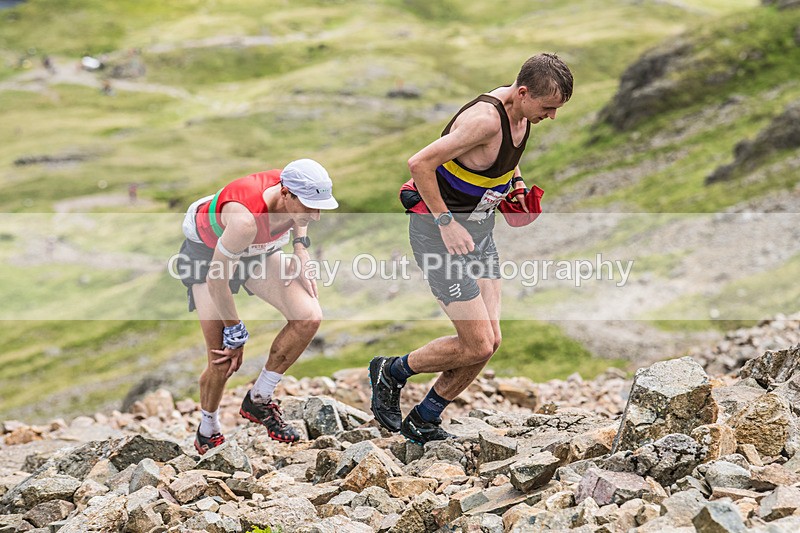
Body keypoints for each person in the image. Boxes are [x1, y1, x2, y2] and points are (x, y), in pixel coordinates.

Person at [370, 54, 573, 444]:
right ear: (524, 92)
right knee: (475, 343)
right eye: (548, 108)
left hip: (480, 235)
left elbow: (503, 162)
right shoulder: (484, 120)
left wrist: (516, 184)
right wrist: (446, 223)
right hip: (439, 237)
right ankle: (391, 371)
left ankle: (425, 417)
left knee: (490, 343)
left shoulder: (522, 113)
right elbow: (419, 164)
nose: (551, 117)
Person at [175, 159, 338, 454]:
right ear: (286, 194)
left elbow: (301, 217)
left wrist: (301, 250)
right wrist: (234, 333)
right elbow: (216, 282)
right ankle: (207, 428)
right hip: (208, 255)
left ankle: (259, 399)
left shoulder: (295, 188)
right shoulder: (245, 218)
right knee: (222, 359)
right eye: (309, 206)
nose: (315, 216)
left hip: (257, 250)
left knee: (309, 317)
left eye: (320, 207)